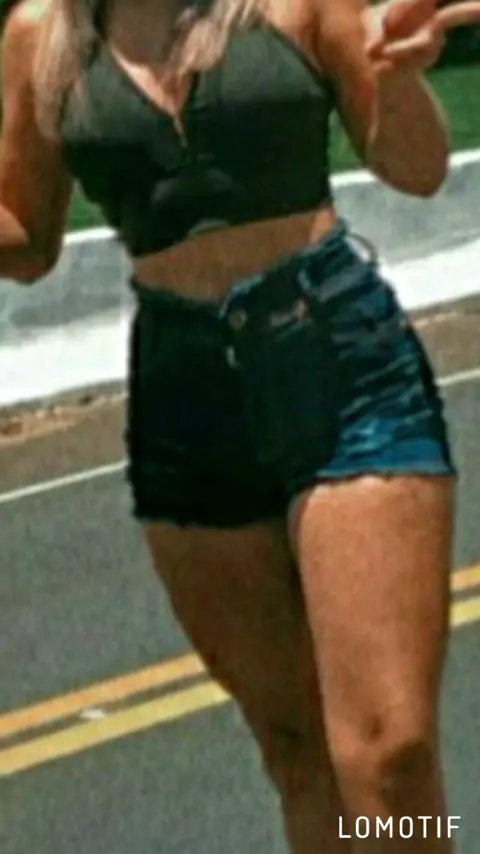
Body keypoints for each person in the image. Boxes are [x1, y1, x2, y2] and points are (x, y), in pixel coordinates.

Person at [2, 0, 480, 850]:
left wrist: (401, 81)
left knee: (392, 759)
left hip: (338, 359)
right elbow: (28, 238)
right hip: (183, 395)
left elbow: (416, 169)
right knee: (296, 749)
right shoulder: (44, 34)